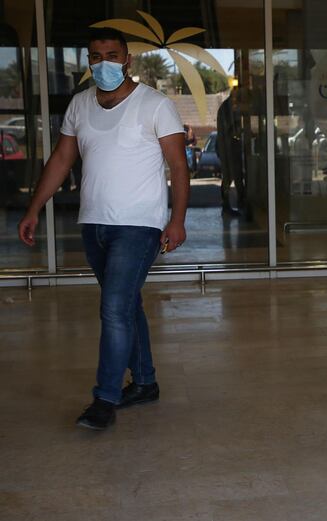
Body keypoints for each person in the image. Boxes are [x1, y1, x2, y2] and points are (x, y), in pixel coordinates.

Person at [17, 27, 189, 431]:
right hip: (93, 224)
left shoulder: (155, 104)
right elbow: (61, 160)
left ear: (127, 60)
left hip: (138, 225)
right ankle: (144, 382)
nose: (104, 62)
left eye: (112, 55)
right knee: (126, 306)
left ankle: (105, 398)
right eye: (96, 56)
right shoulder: (79, 105)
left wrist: (177, 219)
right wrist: (33, 208)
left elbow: (179, 166)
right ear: (88, 61)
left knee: (113, 309)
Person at [216, 87, 246, 216]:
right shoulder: (227, 108)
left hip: (232, 146)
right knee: (229, 176)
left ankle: (239, 202)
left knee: (236, 175)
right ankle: (227, 204)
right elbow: (230, 128)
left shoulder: (230, 107)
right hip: (228, 146)